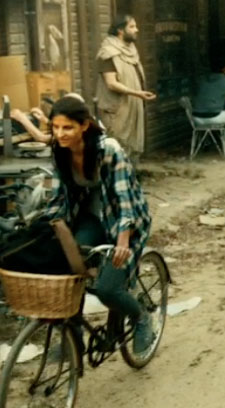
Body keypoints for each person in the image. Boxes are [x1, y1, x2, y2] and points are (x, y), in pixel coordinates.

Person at [42, 95, 155, 353]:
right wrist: (47, 228)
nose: (60, 133)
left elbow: (124, 198)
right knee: (70, 271)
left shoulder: (109, 150)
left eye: (67, 127)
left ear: (84, 125)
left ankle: (141, 318)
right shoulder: (60, 151)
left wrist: (123, 242)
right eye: (56, 127)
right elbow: (57, 198)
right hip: (91, 219)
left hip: (124, 221)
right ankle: (74, 337)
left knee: (107, 289)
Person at [95, 14, 155, 161]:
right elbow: (111, 83)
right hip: (117, 111)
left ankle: (130, 174)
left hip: (133, 107)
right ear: (120, 30)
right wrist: (137, 93)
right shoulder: (108, 53)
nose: (137, 30)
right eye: (132, 27)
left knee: (132, 151)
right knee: (117, 149)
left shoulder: (131, 50)